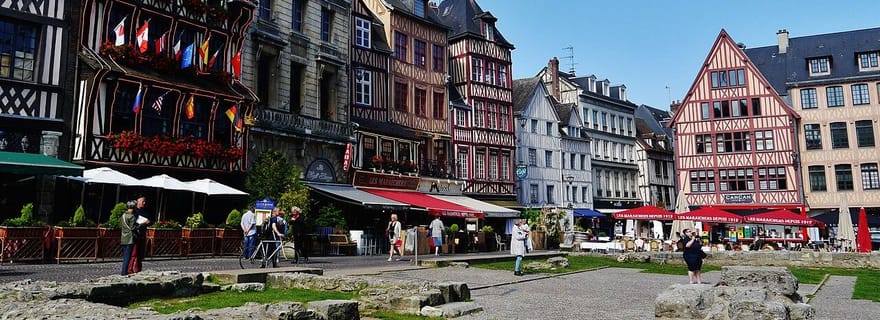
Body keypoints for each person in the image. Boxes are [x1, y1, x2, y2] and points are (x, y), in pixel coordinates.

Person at [129, 195, 151, 274]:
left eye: (145, 201)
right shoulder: (134, 211)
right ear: (138, 202)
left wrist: (148, 222)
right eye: (142, 201)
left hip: (142, 234)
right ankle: (130, 269)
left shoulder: (146, 211)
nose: (144, 203)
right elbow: (133, 223)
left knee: (140, 254)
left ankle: (138, 270)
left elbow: (149, 220)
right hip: (135, 234)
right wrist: (143, 223)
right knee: (133, 253)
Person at [120, 200, 142, 275]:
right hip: (130, 238)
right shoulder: (132, 216)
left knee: (125, 256)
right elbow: (133, 228)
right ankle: (124, 272)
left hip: (123, 237)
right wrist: (140, 224)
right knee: (127, 257)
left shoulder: (123, 215)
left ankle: (124, 271)